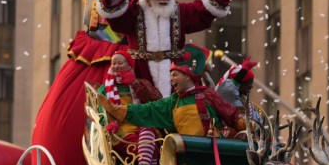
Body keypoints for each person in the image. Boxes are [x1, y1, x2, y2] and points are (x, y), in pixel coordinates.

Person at [96, 0, 231, 97]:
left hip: (175, 73)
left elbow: (203, 12)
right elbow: (115, 17)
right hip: (141, 72)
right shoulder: (134, 13)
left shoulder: (180, 10)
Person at [97, 46, 247, 138]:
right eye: (170, 75)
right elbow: (147, 109)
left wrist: (243, 124)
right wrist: (117, 110)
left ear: (187, 76)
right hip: (185, 155)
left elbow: (229, 113)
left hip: (212, 150)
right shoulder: (172, 102)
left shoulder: (207, 94)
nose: (171, 79)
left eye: (175, 75)